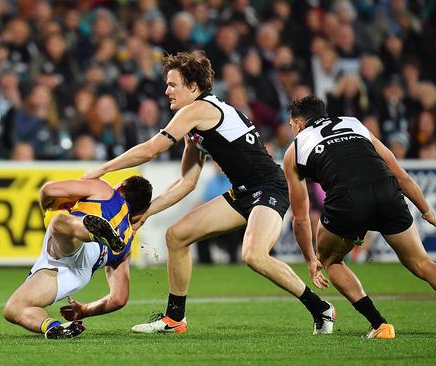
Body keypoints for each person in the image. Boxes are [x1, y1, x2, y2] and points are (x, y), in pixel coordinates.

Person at [83, 50, 334, 335]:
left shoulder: (199, 110)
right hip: (243, 193)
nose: (166, 91)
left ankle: (321, 308)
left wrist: (101, 170)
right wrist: (145, 213)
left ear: (193, 87)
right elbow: (186, 183)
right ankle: (174, 319)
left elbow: (151, 149)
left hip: (268, 189)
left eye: (172, 84)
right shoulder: (195, 124)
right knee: (176, 236)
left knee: (253, 255)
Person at [283, 95, 436, 339]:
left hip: (348, 199)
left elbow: (300, 218)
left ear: (299, 125)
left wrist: (311, 259)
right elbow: (401, 176)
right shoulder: (354, 124)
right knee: (421, 262)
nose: (293, 131)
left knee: (330, 260)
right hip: (386, 190)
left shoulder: (295, 149)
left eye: (292, 126)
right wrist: (427, 212)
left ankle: (380, 325)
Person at [3, 175, 153, 339]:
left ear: (122, 187)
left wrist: (46, 207)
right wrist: (84, 310)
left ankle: (90, 231)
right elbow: (118, 299)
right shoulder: (127, 242)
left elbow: (48, 190)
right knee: (13, 308)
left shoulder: (104, 190)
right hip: (79, 272)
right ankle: (54, 327)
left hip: (79, 245)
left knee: (59, 222)